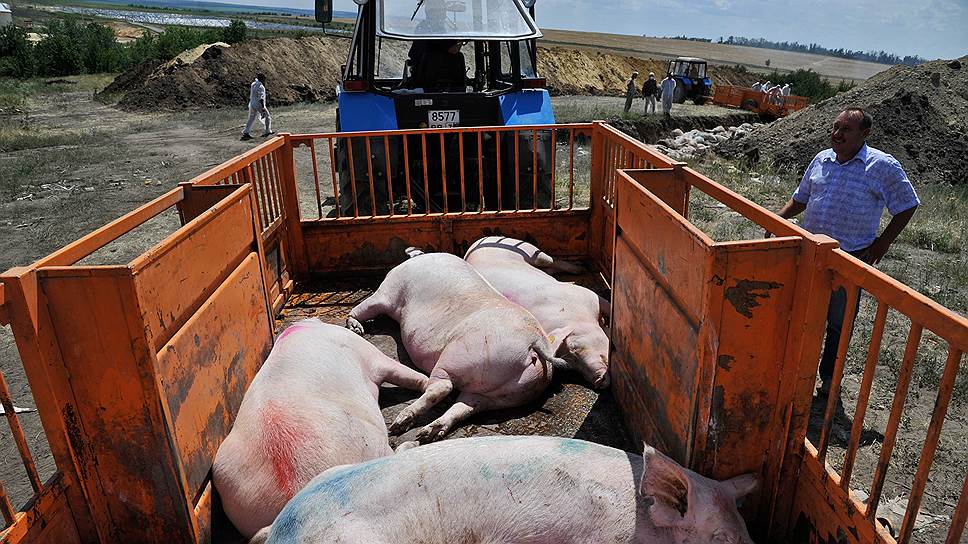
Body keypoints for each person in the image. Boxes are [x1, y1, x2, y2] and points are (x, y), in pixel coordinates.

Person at [771, 108, 919, 397]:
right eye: (835, 127)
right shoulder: (822, 159)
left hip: (849, 259)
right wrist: (778, 219)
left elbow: (907, 204)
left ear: (864, 134)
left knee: (838, 324)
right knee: (802, 315)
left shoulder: (882, 166)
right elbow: (801, 198)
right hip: (811, 254)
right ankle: (795, 375)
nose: (837, 134)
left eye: (846, 129)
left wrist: (882, 243)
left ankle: (828, 380)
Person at [241, 73, 273, 141]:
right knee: (267, 116)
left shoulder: (253, 84)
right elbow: (261, 98)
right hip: (258, 103)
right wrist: (263, 107)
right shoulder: (261, 86)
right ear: (262, 79)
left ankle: (246, 132)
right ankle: (267, 130)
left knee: (251, 118)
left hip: (252, 103)